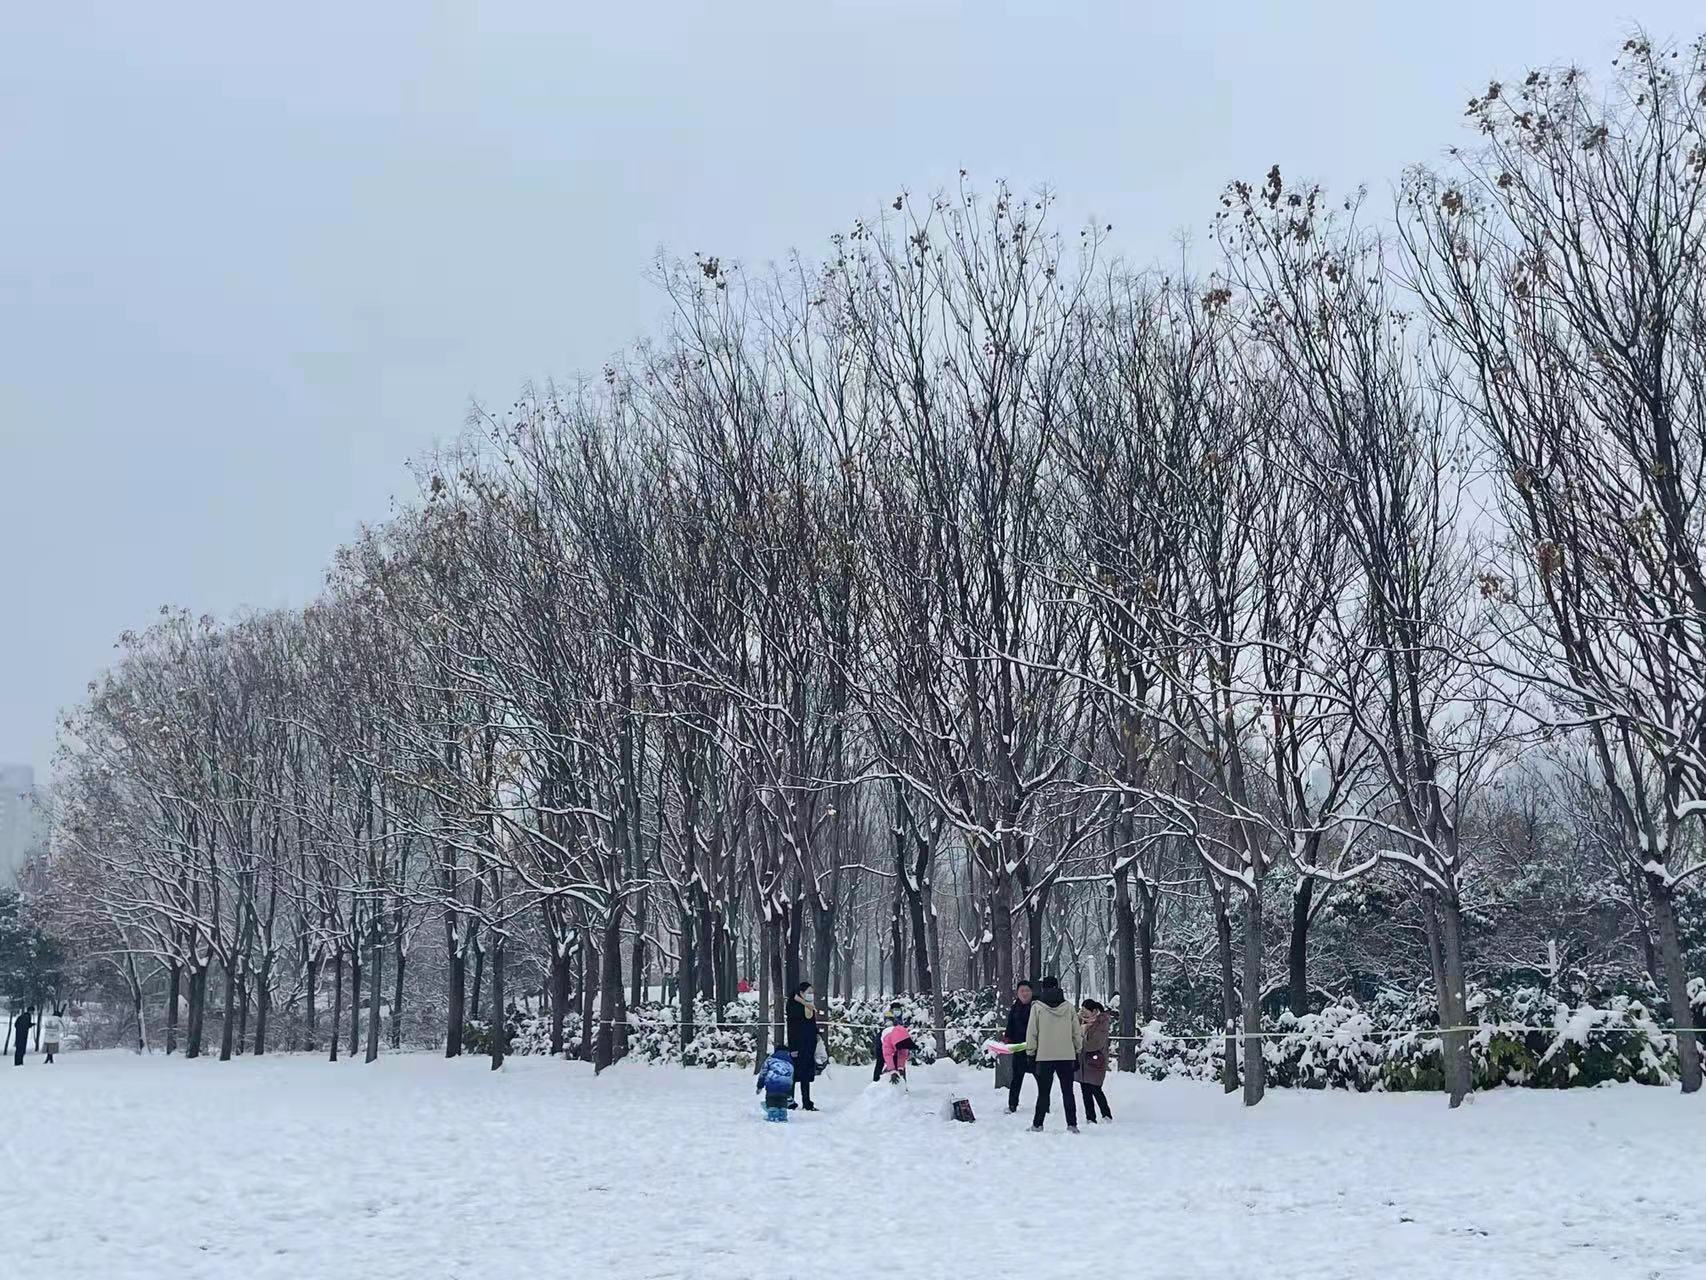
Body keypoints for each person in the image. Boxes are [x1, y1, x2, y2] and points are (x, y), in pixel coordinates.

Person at [1024, 976, 1083, 1132]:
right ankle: (1072, 1124)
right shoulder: (1069, 1007)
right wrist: (1077, 1051)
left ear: (1043, 988)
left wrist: (1030, 1053)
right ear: (1058, 987)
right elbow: (1076, 1032)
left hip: (1044, 1056)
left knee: (1043, 1093)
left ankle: (1038, 1124)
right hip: (1066, 1055)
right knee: (1068, 1092)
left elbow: (1032, 1033)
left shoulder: (1037, 1008)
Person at [786, 981, 822, 1111]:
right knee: (794, 1074)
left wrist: (816, 1034)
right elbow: (793, 1028)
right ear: (801, 993)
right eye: (809, 992)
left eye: (812, 993)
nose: (811, 995)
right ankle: (789, 1100)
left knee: (806, 1074)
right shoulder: (793, 1004)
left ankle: (807, 1102)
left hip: (809, 1045)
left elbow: (811, 1024)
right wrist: (793, 1047)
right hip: (797, 1045)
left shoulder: (809, 1006)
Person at [1003, 980, 1036, 1114]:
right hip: (1019, 1047)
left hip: (1035, 1048)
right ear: (1017, 993)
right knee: (1016, 1078)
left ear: (1031, 992)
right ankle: (1012, 1104)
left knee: (1041, 1078)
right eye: (1022, 991)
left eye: (1027, 990)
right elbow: (1010, 1024)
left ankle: (1044, 1104)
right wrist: (1007, 1037)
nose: (1024, 993)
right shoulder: (1015, 1007)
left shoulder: (1037, 1006)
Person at [1078, 999, 1113, 1124]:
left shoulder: (1101, 1023)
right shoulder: (1081, 1022)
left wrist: (1081, 1040)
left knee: (1096, 1089)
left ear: (1093, 1011)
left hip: (1095, 1062)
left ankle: (1106, 1114)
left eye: (1085, 1010)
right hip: (1083, 1062)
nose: (1082, 1013)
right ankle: (1090, 1117)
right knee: (1085, 1090)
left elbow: (1094, 1044)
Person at [756, 1044, 796, 1122]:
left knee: (771, 1098)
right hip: (785, 1085)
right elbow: (791, 1076)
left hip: (772, 1083)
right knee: (782, 1099)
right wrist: (789, 1089)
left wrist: (760, 1086)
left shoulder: (770, 1059)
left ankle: (772, 1114)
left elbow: (763, 1073)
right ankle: (783, 1115)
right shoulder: (790, 1062)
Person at [872, 1002, 904, 1081]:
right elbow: (888, 1024)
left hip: (896, 1039)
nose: (897, 1011)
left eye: (898, 1009)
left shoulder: (900, 1017)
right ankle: (876, 1081)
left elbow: (903, 1055)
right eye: (895, 1009)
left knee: (899, 1062)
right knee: (881, 1061)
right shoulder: (888, 1014)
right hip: (883, 1041)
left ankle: (901, 1083)